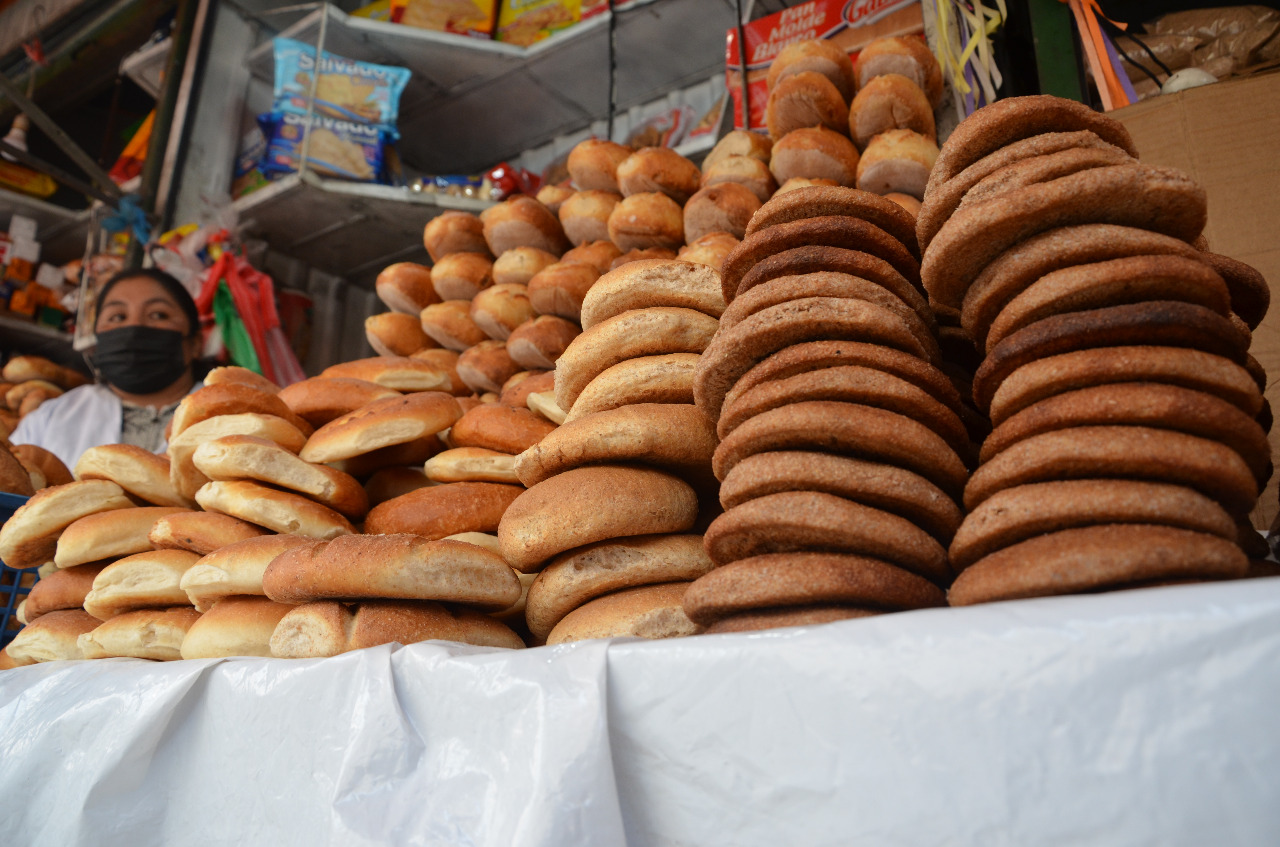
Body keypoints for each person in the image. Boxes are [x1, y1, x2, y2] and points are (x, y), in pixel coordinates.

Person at [11, 267, 205, 470]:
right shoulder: (48, 420)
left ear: (196, 343)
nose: (134, 328)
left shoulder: (232, 417)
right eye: (117, 317)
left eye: (158, 314)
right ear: (97, 342)